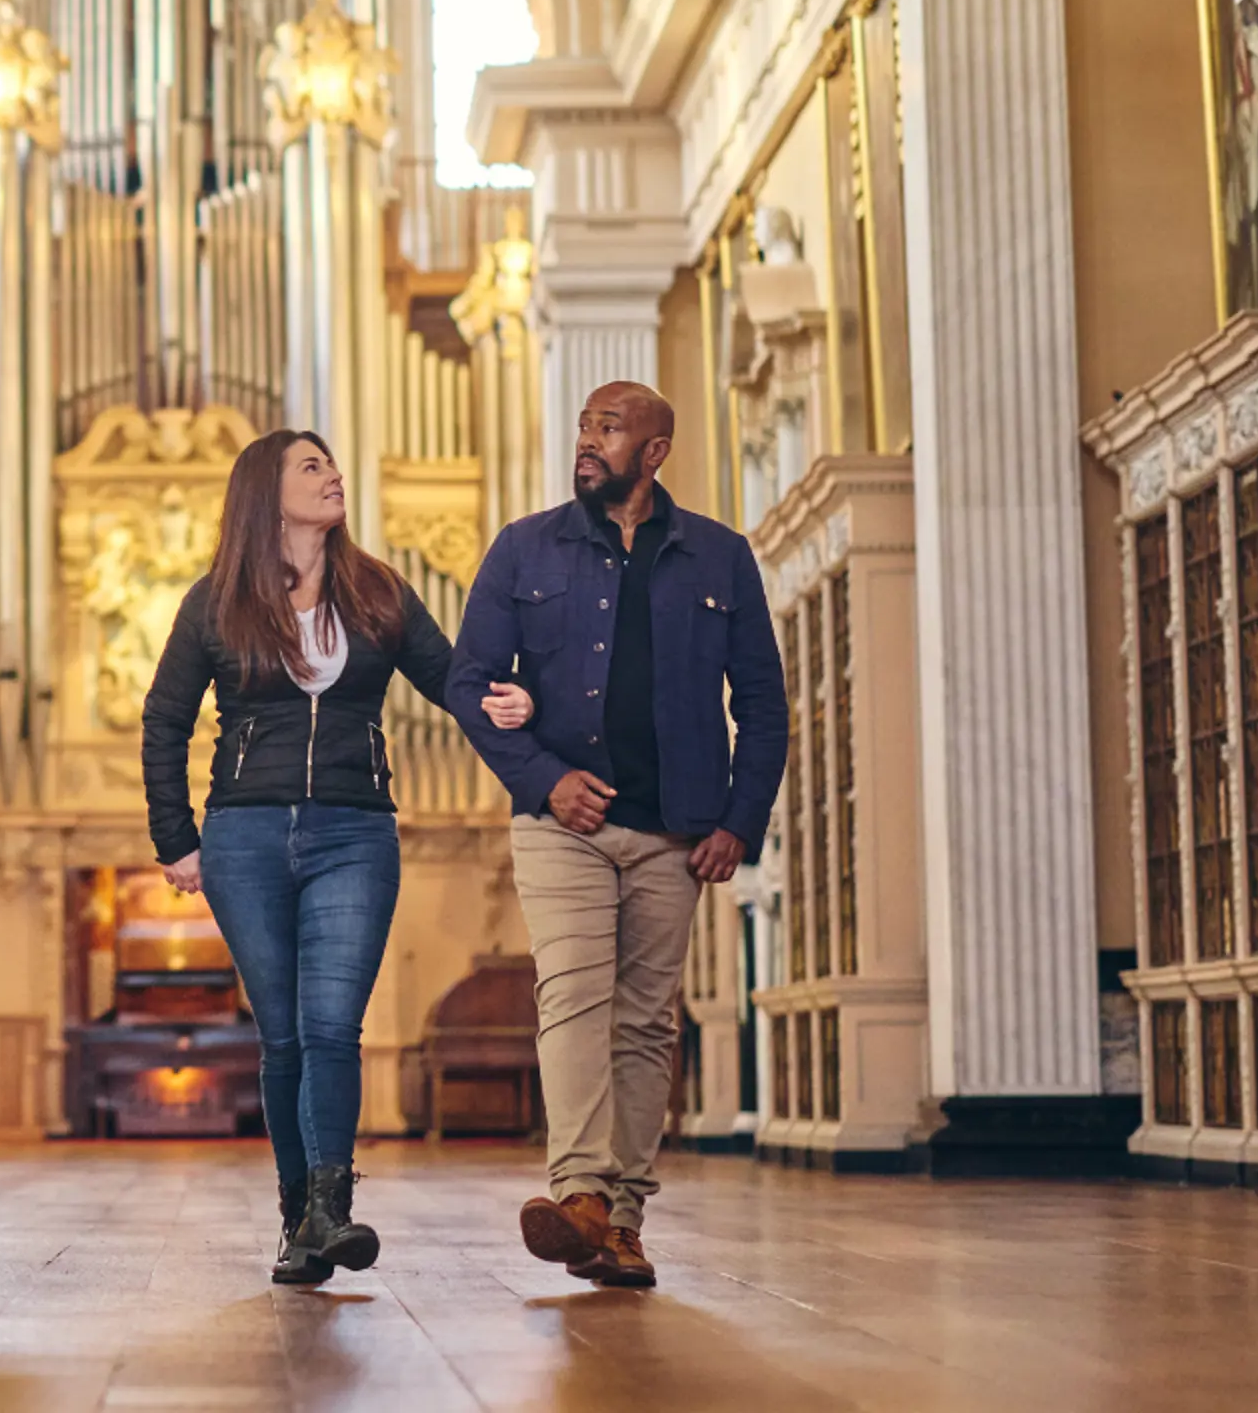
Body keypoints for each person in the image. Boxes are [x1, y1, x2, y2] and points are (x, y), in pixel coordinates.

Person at [139, 429, 533, 1286]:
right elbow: (165, 719)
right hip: (243, 834)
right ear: (265, 492)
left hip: (354, 831)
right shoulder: (216, 601)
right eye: (311, 467)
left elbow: (451, 679)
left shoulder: (378, 591)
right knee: (282, 1037)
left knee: (330, 1027)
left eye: (332, 464)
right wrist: (176, 838)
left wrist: (503, 701)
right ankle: (299, 1221)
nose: (334, 476)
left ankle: (331, 1206)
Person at [447, 383, 785, 1292]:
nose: (588, 441)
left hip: (676, 829)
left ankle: (620, 1222)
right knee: (571, 996)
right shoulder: (524, 547)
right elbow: (468, 682)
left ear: (655, 450)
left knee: (644, 1025)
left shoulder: (721, 556)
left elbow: (762, 703)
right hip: (563, 824)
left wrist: (739, 821)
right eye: (584, 426)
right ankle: (580, 1191)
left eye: (608, 428)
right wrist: (543, 779)